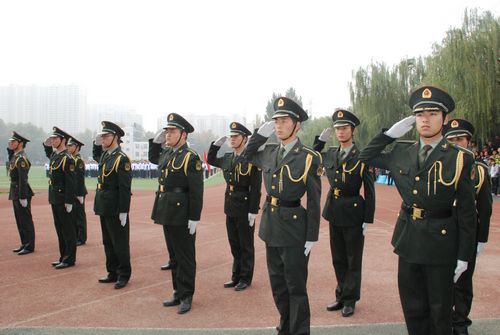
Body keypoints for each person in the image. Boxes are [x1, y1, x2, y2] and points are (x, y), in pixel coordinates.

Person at [358, 86, 477, 335]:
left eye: (433, 113)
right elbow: (365, 157)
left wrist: (465, 255)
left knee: (440, 311)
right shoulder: (401, 151)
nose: (425, 119)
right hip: (409, 239)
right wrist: (388, 135)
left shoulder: (459, 158)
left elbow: (466, 213)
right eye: (420, 114)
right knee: (413, 309)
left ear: (443, 119)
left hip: (441, 243)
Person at [244, 97, 322, 335]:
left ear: (297, 125)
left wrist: (312, 236)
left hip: (295, 229)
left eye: (284, 120)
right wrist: (259, 134)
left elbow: (315, 201)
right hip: (271, 226)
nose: (278, 125)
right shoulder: (268, 152)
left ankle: (299, 331)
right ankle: (285, 325)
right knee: (278, 285)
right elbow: (247, 154)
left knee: (296, 287)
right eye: (276, 121)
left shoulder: (308, 157)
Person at [313, 109, 375, 317]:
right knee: (338, 258)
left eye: (344, 128)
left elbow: (369, 189)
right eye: (337, 128)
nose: (340, 132)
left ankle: (350, 299)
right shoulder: (331, 153)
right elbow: (312, 157)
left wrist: (368, 218)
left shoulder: (361, 155)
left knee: (352, 259)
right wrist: (319, 142)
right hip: (334, 210)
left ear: (352, 131)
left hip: (354, 212)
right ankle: (340, 295)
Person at [150, 113, 204, 314]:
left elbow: (197, 191)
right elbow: (153, 157)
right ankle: (177, 291)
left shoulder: (190, 157)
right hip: (166, 210)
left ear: (183, 134)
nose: (167, 135)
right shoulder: (167, 153)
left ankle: (187, 295)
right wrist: (155, 143)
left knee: (185, 256)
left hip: (182, 213)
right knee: (173, 256)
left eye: (172, 131)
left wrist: (194, 217)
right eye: (167, 131)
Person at [443, 119, 493, 335]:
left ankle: (460, 321)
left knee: (463, 280)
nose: (455, 143)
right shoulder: (439, 166)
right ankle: (442, 319)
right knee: (440, 279)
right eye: (451, 139)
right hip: (441, 231)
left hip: (467, 233)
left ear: (469, 142)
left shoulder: (479, 170)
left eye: (459, 139)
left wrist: (481, 239)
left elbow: (485, 208)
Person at [208, 122, 262, 291]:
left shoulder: (252, 159)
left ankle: (245, 278)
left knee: (245, 244)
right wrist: (215, 146)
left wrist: (253, 210)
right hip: (230, 205)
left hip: (245, 205)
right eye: (230, 136)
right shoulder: (228, 158)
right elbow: (210, 160)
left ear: (244, 139)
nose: (232, 139)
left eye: (235, 136)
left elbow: (256, 187)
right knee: (234, 243)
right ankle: (236, 275)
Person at [93, 121, 132, 289]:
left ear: (116, 137)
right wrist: (95, 143)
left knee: (119, 242)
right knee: (107, 241)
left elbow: (125, 187)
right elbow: (96, 154)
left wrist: (124, 210)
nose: (103, 139)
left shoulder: (121, 159)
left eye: (106, 136)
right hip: (103, 203)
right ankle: (112, 272)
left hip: (115, 205)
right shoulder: (105, 155)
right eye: (102, 136)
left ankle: (123, 274)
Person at [43, 127, 77, 269]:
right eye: (52, 139)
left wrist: (69, 201)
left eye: (55, 139)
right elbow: (47, 150)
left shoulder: (67, 158)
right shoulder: (55, 156)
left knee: (67, 230)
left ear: (63, 140)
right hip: (55, 197)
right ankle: (63, 256)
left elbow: (71, 182)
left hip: (63, 198)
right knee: (59, 229)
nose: (53, 141)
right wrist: (45, 143)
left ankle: (69, 258)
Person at [7, 131, 35, 255]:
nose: (11, 143)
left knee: (25, 219)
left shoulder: (22, 158)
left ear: (21, 143)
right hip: (15, 191)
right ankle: (24, 243)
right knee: (19, 219)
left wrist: (23, 196)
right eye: (11, 141)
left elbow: (22, 179)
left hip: (21, 191)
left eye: (13, 142)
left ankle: (29, 245)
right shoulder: (15, 156)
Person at [67, 137, 88, 246]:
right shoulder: (71, 159)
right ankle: (76, 236)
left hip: (78, 192)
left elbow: (80, 178)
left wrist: (80, 194)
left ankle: (81, 237)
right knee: (73, 216)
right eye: (68, 145)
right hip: (72, 191)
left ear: (77, 147)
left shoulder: (78, 161)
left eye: (71, 146)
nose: (68, 147)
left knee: (79, 215)